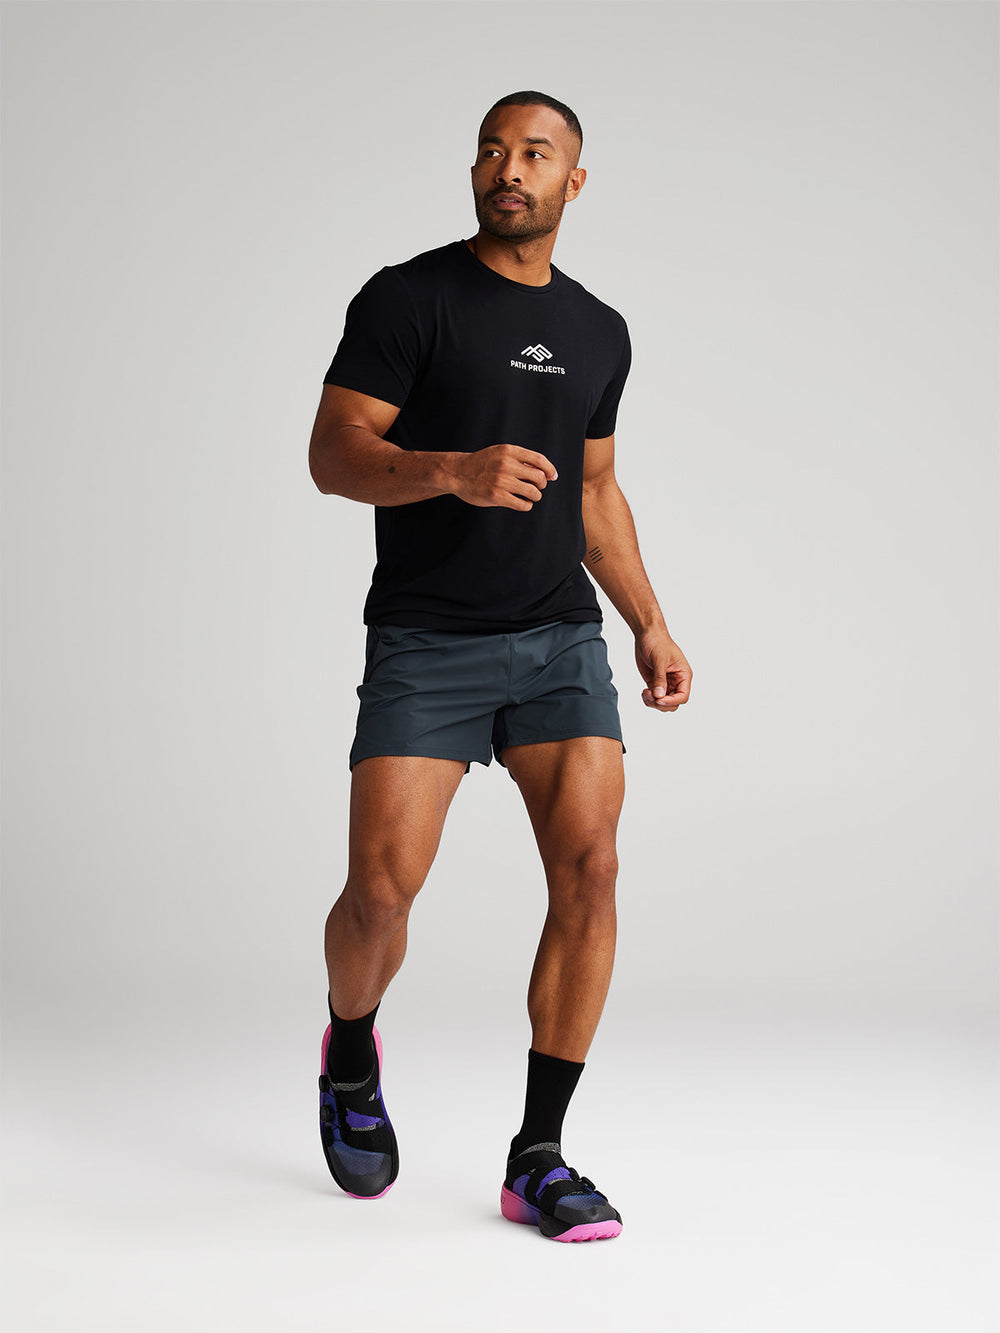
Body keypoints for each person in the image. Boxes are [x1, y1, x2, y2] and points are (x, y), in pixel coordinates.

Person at [307, 89, 692, 1243]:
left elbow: (595, 489)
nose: (507, 169)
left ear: (574, 181)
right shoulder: (407, 298)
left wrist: (648, 621)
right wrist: (450, 470)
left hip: (556, 636)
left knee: (592, 869)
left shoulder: (598, 329)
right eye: (491, 149)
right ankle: (350, 1046)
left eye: (533, 153)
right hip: (426, 636)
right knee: (381, 894)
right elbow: (333, 454)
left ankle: (539, 1156)